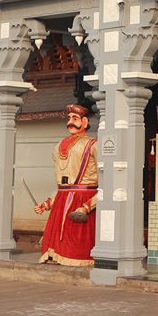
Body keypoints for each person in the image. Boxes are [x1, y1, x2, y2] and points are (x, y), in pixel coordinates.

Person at [34, 104, 98, 266]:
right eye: (69, 118)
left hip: (84, 197)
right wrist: (47, 204)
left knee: (76, 237)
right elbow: (62, 185)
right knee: (54, 235)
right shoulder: (58, 146)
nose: (70, 122)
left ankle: (75, 258)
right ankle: (55, 255)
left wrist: (87, 206)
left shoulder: (93, 145)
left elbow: (107, 183)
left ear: (85, 122)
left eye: (75, 119)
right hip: (62, 198)